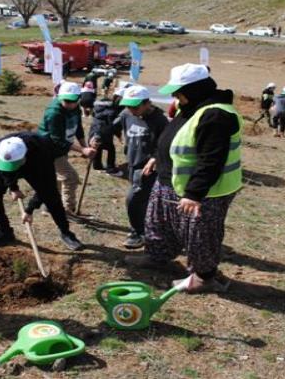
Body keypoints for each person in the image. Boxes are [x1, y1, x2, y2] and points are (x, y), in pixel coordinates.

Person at [126, 63, 242, 294]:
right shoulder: (190, 107)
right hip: (170, 181)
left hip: (205, 192)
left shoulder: (216, 114)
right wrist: (158, 158)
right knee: (158, 223)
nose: (175, 96)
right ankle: (157, 257)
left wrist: (194, 194)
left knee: (200, 235)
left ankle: (204, 277)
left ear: (196, 89)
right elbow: (176, 137)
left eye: (179, 91)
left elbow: (211, 160)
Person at [0, 133, 85, 250]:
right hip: (15, 163)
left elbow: (46, 188)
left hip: (35, 164)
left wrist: (29, 210)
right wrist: (13, 188)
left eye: (15, 165)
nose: (14, 168)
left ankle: (66, 233)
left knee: (51, 197)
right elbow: (3, 171)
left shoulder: (42, 152)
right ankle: (4, 232)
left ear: (23, 157)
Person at [112, 85, 169, 249]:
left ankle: (138, 232)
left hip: (148, 168)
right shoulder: (126, 114)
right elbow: (113, 126)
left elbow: (166, 144)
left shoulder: (159, 120)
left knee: (133, 200)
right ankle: (144, 229)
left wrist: (155, 158)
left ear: (147, 103)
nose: (131, 110)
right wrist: (98, 136)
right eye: (128, 106)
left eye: (135, 106)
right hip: (132, 164)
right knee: (142, 200)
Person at [38, 81, 96, 213]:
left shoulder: (75, 107)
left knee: (57, 177)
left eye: (72, 101)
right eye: (66, 100)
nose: (69, 104)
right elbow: (57, 139)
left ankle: (49, 206)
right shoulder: (54, 113)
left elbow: (78, 128)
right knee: (71, 177)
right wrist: (82, 150)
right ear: (60, 97)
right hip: (49, 149)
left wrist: (84, 146)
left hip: (62, 148)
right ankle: (67, 210)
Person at [89, 88, 122, 174]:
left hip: (94, 130)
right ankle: (110, 168)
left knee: (98, 148)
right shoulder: (113, 110)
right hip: (104, 132)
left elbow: (93, 115)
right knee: (111, 149)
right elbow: (114, 125)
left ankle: (97, 166)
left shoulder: (99, 106)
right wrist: (119, 134)